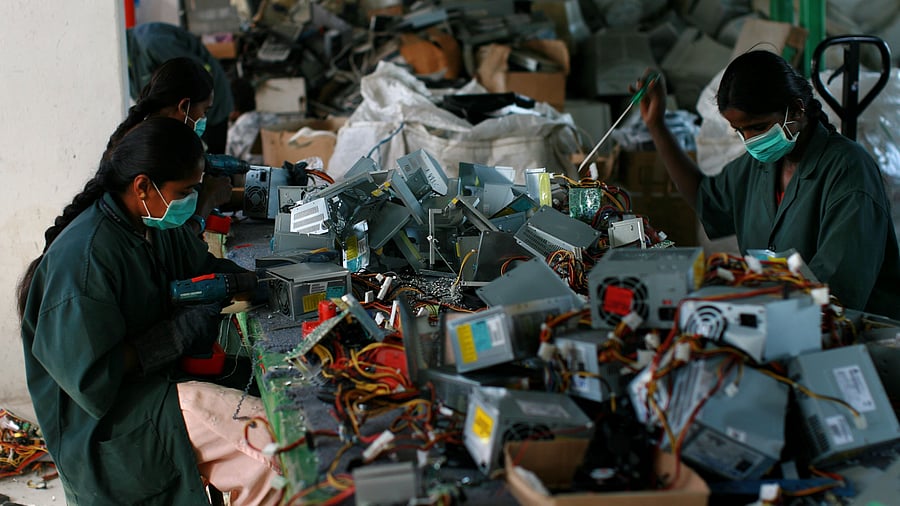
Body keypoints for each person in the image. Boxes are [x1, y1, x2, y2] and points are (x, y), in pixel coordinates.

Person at [17, 118, 281, 505]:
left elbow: (200, 267)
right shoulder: (83, 264)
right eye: (186, 191)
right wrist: (175, 335)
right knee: (266, 443)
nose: (193, 199)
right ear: (143, 186)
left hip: (154, 384)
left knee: (260, 383)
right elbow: (92, 380)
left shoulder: (151, 225)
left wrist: (264, 282)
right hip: (104, 426)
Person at [635, 49, 900, 318]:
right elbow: (706, 198)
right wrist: (657, 126)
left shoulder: (848, 172)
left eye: (759, 127)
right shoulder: (762, 165)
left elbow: (836, 295)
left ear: (797, 109)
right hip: (783, 319)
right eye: (741, 132)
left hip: (855, 335)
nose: (750, 141)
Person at [111, 56, 234, 235]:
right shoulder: (153, 151)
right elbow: (170, 246)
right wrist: (205, 205)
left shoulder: (150, 139)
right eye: (205, 111)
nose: (204, 119)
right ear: (184, 106)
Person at [126, 22, 234, 153]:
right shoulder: (126, 65)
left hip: (209, 103)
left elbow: (197, 76)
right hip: (188, 113)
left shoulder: (152, 42)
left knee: (210, 160)